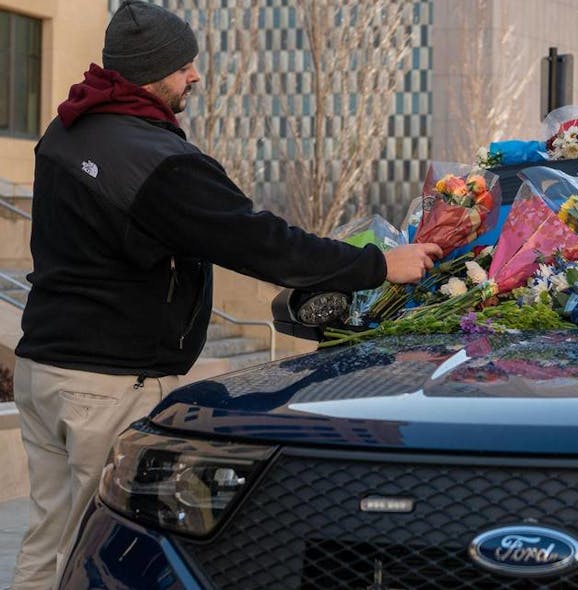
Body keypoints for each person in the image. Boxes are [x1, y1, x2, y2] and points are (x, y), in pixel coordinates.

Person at [10, 2, 442, 588]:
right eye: (183, 65)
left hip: (43, 368)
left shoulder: (66, 129)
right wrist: (377, 264)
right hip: (105, 385)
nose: (195, 76)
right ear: (149, 70)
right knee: (101, 546)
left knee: (49, 536)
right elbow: (263, 243)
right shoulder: (157, 161)